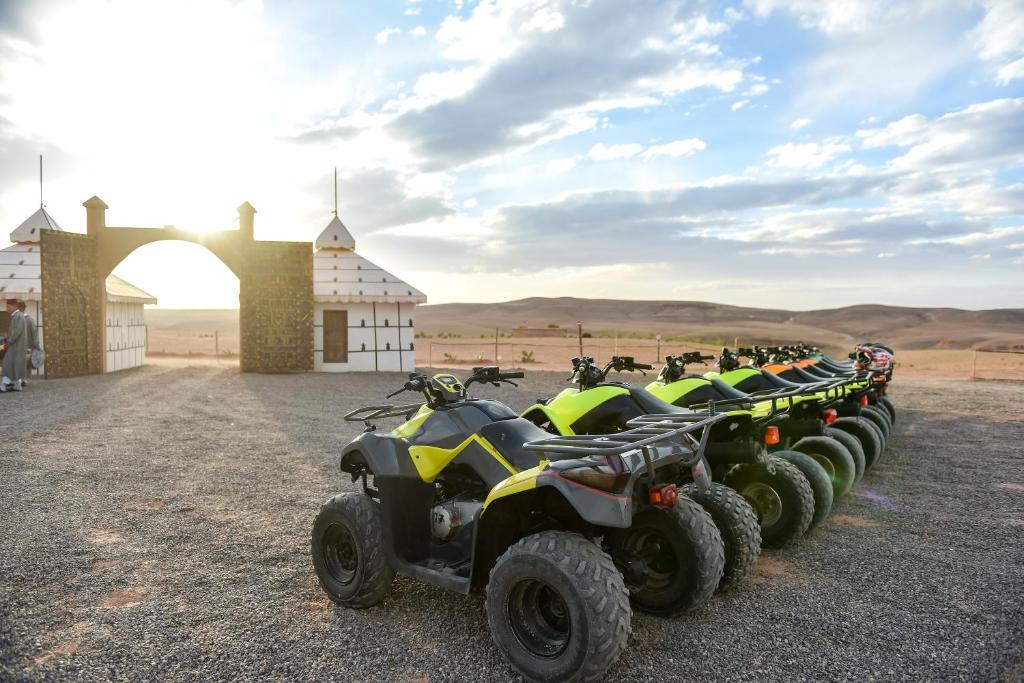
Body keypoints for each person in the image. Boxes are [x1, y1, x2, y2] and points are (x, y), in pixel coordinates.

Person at [1, 298, 27, 392]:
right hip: (16, 346)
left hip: (16, 346)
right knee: (15, 365)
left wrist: (9, 341)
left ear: (15, 306)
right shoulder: (17, 316)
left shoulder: (18, 316)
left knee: (7, 364)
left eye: (8, 306)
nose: (7, 308)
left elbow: (18, 331)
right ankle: (17, 385)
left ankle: (3, 385)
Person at [18, 301, 39, 386]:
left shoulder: (28, 319)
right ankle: (22, 379)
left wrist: (36, 344)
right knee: (24, 363)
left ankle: (24, 379)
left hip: (27, 346)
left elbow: (34, 332)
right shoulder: (25, 319)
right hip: (23, 346)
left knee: (26, 363)